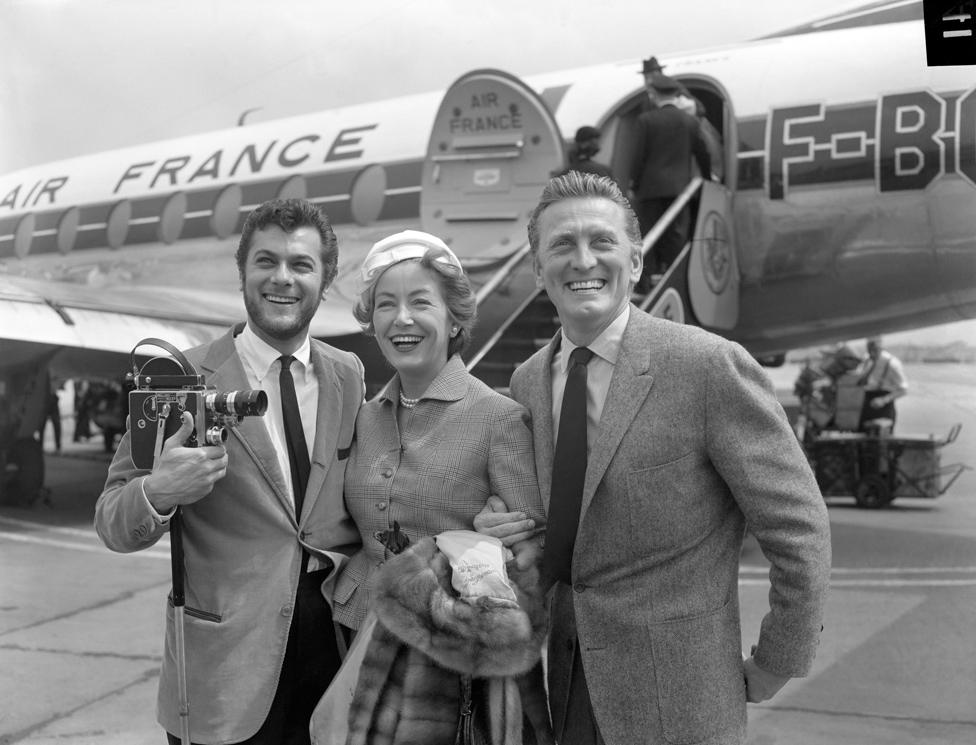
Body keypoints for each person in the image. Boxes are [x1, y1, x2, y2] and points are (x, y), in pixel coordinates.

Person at [475, 172, 832, 745]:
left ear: (636, 262)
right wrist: (500, 528)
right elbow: (557, 524)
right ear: (538, 270)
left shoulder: (708, 367)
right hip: (567, 688)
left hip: (682, 701)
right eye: (561, 245)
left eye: (602, 242)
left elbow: (800, 529)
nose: (582, 259)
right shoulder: (527, 383)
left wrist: (777, 660)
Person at [94, 198, 365, 745]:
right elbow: (111, 521)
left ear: (326, 279)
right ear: (242, 271)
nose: (282, 278)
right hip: (224, 672)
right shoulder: (180, 377)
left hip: (333, 664)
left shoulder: (348, 374)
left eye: (301, 265)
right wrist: (158, 492)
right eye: (265, 261)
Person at [323, 229, 551, 744]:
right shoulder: (363, 419)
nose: (401, 319)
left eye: (420, 302)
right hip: (355, 646)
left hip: (449, 680)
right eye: (385, 305)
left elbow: (531, 574)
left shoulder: (500, 420)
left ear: (453, 319)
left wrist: (495, 548)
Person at [630, 73, 712, 289]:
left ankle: (647, 280)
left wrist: (633, 184)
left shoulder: (645, 120)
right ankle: (675, 279)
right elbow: (703, 153)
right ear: (676, 94)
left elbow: (638, 157)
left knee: (647, 234)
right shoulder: (690, 121)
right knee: (676, 235)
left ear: (654, 95)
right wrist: (707, 177)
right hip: (679, 190)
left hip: (650, 189)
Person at [857, 335, 908, 429]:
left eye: (874, 350)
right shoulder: (867, 359)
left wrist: (884, 400)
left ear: (881, 347)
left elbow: (903, 390)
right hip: (866, 404)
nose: (871, 353)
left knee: (882, 439)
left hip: (884, 407)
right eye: (869, 349)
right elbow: (859, 381)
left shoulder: (892, 363)